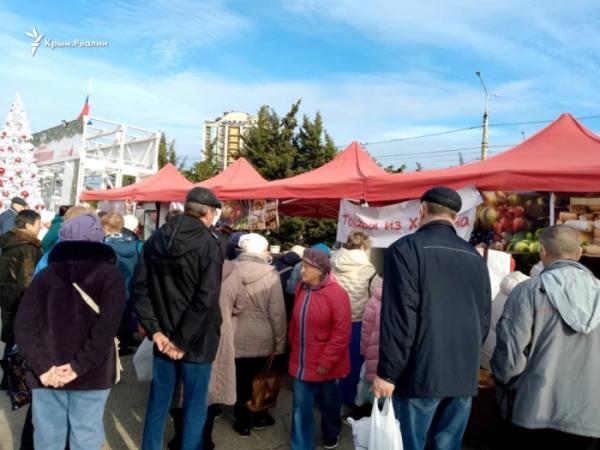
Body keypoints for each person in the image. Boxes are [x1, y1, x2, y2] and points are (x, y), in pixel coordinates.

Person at [372, 186, 491, 450]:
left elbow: (400, 318)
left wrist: (387, 373)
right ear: (455, 218)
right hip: (462, 373)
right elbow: (483, 320)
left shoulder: (405, 249)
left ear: (422, 210)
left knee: (410, 444)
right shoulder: (473, 257)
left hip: (421, 374)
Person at [14, 212, 125, 450]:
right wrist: (79, 366)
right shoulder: (110, 276)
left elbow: (24, 327)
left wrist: (42, 366)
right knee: (86, 437)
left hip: (48, 374)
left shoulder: (44, 276)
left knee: (47, 439)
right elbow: (107, 328)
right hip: (92, 373)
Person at [491, 225, 600, 449]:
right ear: (579, 253)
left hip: (534, 410)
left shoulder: (528, 291)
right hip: (591, 415)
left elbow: (510, 360)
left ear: (542, 251)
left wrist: (503, 384)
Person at [133, 186, 224, 450]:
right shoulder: (210, 243)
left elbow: (140, 290)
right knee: (195, 405)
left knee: (159, 402)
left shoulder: (155, 239)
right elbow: (206, 298)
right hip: (192, 340)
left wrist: (158, 332)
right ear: (208, 213)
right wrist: (174, 339)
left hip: (167, 337)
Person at [288, 248, 351, 450]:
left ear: (320, 270)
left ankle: (331, 432)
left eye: (306, 267)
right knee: (300, 407)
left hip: (327, 363)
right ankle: (301, 445)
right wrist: (291, 341)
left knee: (329, 403)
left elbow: (342, 333)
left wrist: (326, 361)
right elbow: (295, 321)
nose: (302, 271)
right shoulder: (300, 288)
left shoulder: (337, 294)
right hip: (301, 359)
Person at [227, 233, 287, 436]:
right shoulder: (271, 274)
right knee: (260, 378)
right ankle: (259, 415)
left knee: (239, 378)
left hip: (232, 333)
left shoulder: (228, 269)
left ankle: (242, 421)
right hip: (262, 336)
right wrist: (280, 344)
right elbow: (277, 312)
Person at [331, 231, 379, 411]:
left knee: (331, 361)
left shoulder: (332, 262)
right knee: (352, 365)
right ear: (365, 246)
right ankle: (348, 401)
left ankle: (329, 399)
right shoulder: (369, 270)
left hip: (333, 320)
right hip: (356, 322)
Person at [0, 210, 42, 388]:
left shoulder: (9, 242)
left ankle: (7, 380)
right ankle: (15, 382)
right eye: (38, 224)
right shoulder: (28, 247)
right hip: (21, 300)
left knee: (12, 337)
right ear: (28, 225)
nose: (40, 228)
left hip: (7, 296)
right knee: (20, 340)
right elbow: (28, 280)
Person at [102, 212, 142, 354]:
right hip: (131, 283)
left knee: (113, 316)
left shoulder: (105, 245)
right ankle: (126, 340)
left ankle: (118, 346)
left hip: (112, 286)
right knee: (127, 312)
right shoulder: (135, 243)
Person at [357, 277, 384, 406]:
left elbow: (366, 330)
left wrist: (365, 353)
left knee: (373, 394)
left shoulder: (374, 300)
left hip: (374, 355)